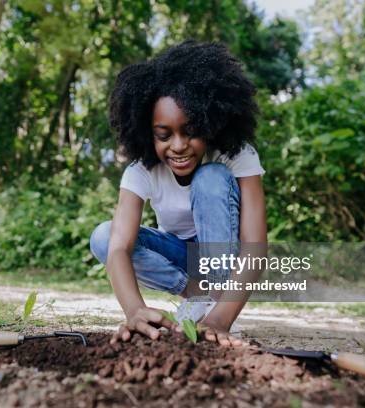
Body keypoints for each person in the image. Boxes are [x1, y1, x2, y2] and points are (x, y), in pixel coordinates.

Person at [90, 40, 267, 347]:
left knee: (210, 177)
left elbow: (255, 246)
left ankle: (215, 305)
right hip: (181, 257)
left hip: (226, 256)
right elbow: (119, 248)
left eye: (191, 131)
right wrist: (134, 311)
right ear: (148, 133)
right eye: (164, 135)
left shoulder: (236, 155)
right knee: (103, 237)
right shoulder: (140, 171)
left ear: (211, 123)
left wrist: (220, 320)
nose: (178, 145)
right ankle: (198, 294)